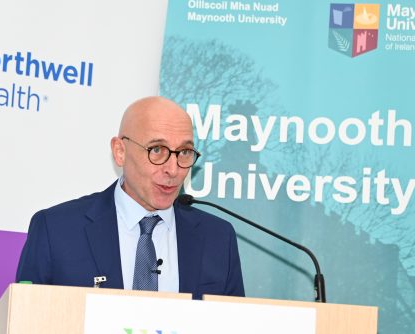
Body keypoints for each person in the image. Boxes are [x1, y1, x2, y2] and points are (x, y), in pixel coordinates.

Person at [16, 96, 244, 299]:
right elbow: (26, 331)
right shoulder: (57, 230)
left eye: (184, 153)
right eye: (157, 150)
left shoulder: (218, 239)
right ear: (120, 151)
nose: (173, 170)